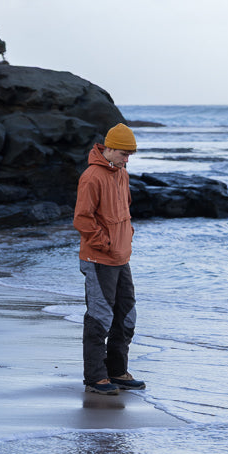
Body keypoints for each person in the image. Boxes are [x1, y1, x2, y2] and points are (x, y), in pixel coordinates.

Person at [73, 123, 146, 395]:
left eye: (130, 155)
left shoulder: (122, 174)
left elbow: (124, 212)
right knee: (99, 317)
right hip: (98, 258)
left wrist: (125, 237)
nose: (127, 159)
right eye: (124, 154)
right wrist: (106, 243)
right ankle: (95, 377)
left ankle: (117, 371)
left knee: (127, 315)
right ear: (110, 148)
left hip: (121, 257)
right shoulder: (92, 176)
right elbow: (82, 219)